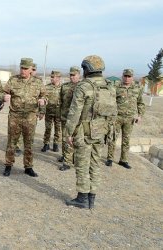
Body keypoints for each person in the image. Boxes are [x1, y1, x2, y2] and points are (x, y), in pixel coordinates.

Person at [65, 55, 117, 209]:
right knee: (95, 164)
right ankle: (92, 198)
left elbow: (75, 112)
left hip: (85, 132)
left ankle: (82, 198)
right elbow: (114, 112)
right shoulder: (110, 86)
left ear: (87, 69)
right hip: (102, 131)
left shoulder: (84, 86)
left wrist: (69, 133)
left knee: (82, 164)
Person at [2, 58, 46, 177]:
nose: (23, 70)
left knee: (29, 143)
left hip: (30, 117)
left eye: (26, 68)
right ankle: (8, 165)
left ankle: (28, 167)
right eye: (22, 68)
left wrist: (43, 104)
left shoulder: (38, 82)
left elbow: (44, 96)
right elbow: (3, 92)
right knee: (12, 142)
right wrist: (4, 96)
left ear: (31, 69)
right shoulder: (13, 80)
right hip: (14, 116)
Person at [106, 69, 145, 169]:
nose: (127, 78)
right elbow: (110, 101)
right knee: (113, 138)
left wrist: (140, 116)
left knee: (126, 140)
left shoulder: (137, 88)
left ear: (132, 77)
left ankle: (123, 160)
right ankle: (110, 158)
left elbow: (140, 103)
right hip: (117, 118)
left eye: (129, 76)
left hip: (129, 119)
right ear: (122, 76)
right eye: (125, 76)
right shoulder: (116, 87)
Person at [58, 66, 81, 171]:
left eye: (74, 75)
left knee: (77, 140)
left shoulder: (82, 87)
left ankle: (75, 159)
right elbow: (60, 102)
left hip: (79, 119)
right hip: (65, 117)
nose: (72, 77)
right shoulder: (64, 87)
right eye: (70, 75)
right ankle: (66, 160)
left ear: (79, 75)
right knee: (65, 139)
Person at [42, 70, 62, 152]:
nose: (52, 79)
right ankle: (46, 144)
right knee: (48, 129)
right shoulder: (47, 87)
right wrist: (42, 111)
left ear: (58, 78)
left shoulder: (63, 88)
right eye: (51, 77)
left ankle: (56, 144)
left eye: (54, 77)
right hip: (49, 112)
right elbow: (43, 99)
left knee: (58, 130)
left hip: (59, 113)